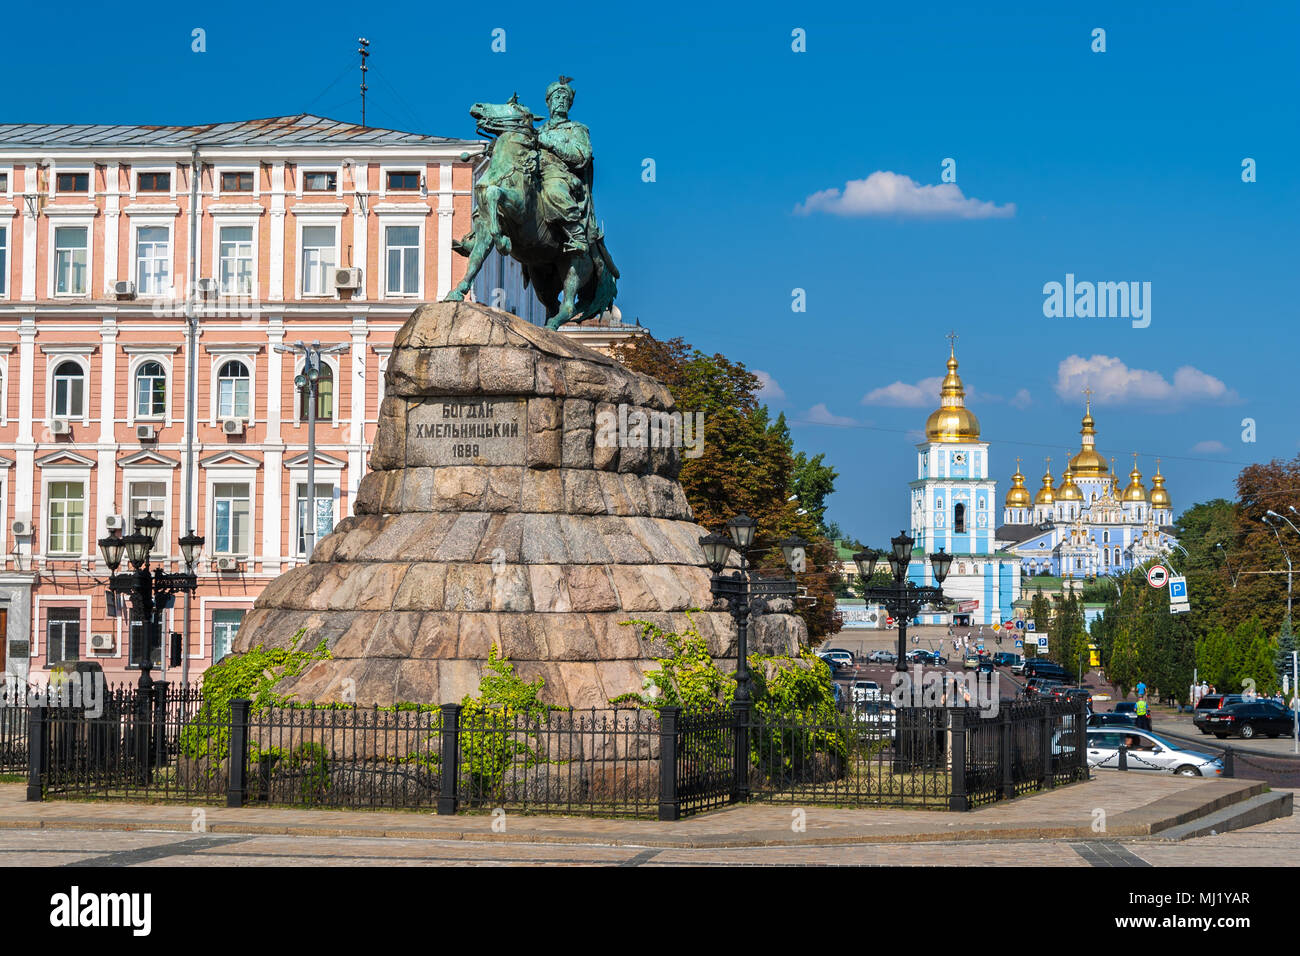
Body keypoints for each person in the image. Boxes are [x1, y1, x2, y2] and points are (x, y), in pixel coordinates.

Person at [537, 77, 596, 254]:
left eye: (565, 99)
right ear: (548, 102)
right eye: (557, 97)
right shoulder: (538, 130)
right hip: (535, 175)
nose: (561, 101)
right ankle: (478, 235)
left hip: (563, 177)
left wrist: (550, 143)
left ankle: (577, 236)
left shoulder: (577, 129)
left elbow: (581, 157)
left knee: (553, 190)